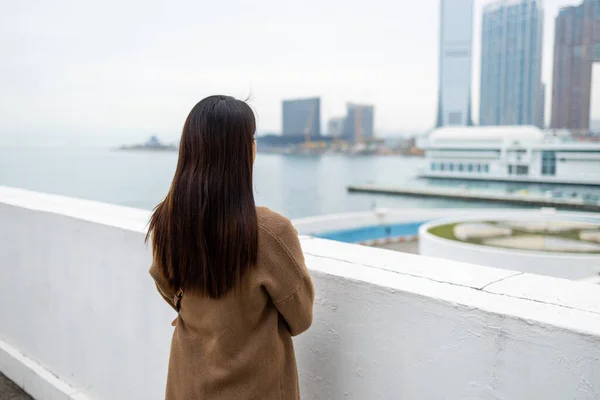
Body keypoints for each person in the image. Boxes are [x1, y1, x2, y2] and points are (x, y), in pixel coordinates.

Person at [147, 95, 314, 400]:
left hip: (189, 383)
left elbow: (164, 283)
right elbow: (301, 316)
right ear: (242, 151)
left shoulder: (166, 221)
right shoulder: (270, 231)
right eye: (251, 138)